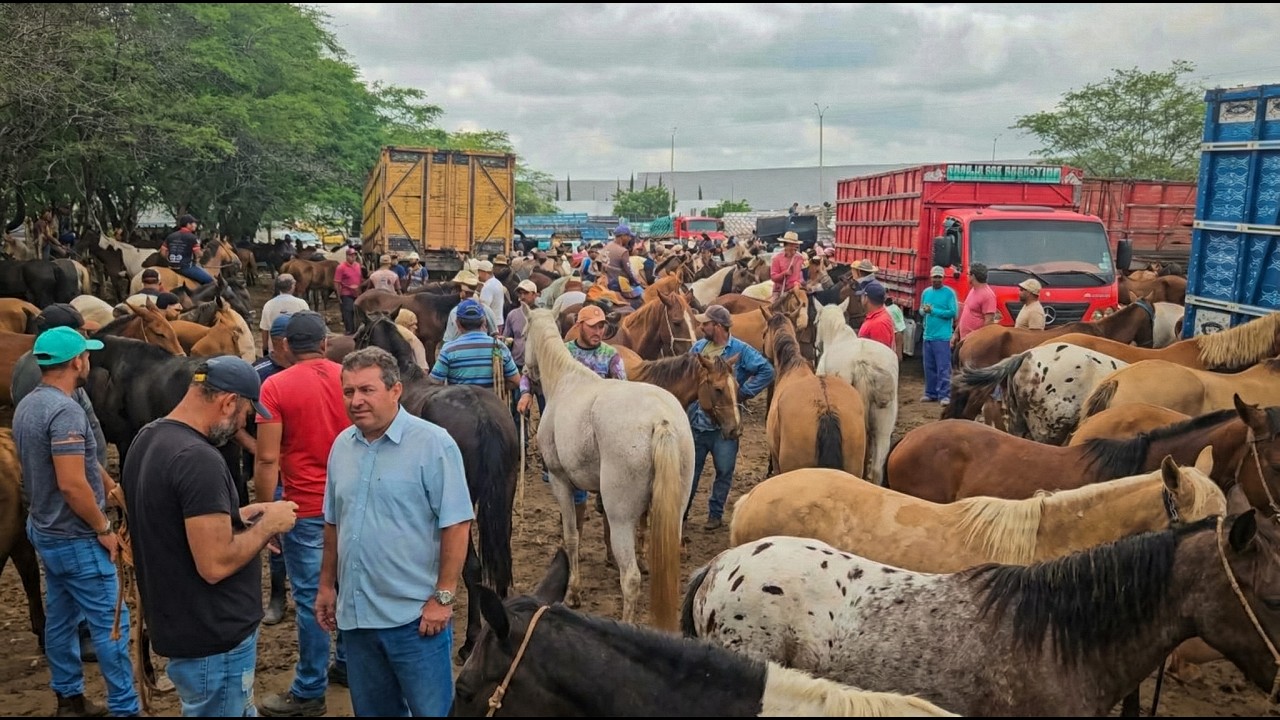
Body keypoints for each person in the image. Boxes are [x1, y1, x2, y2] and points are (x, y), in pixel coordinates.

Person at [122, 355, 298, 717]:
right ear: (228, 402)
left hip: (181, 623)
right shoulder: (198, 459)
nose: (245, 422)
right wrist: (269, 524)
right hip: (213, 635)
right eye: (246, 411)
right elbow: (215, 564)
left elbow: (170, 519)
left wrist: (238, 516)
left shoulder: (149, 437)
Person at [317, 347, 473, 716]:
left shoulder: (434, 444)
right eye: (349, 391)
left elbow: (457, 524)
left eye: (367, 390)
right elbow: (333, 521)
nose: (356, 401)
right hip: (356, 619)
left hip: (415, 621)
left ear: (395, 390)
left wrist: (444, 598)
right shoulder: (342, 446)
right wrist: (326, 585)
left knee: (431, 712)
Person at [13, 327, 141, 718]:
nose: (89, 360)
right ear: (76, 362)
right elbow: (70, 484)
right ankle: (125, 707)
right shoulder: (66, 410)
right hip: (77, 535)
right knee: (111, 625)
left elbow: (84, 461)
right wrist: (103, 527)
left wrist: (111, 486)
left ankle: (68, 698)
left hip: (46, 530)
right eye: (86, 355)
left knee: (62, 618)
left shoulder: (30, 404)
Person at [254, 312, 352, 717]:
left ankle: (309, 688)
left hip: (307, 505)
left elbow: (265, 459)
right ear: (326, 344)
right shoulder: (350, 377)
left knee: (313, 598)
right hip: (351, 501)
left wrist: (267, 516)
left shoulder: (274, 385)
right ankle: (346, 663)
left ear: (286, 347)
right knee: (348, 587)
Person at [515, 304, 620, 524]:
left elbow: (622, 388)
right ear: (579, 326)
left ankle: (610, 548)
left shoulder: (611, 355)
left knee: (613, 497)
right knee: (575, 491)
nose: (598, 332)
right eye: (592, 327)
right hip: (570, 427)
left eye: (601, 327)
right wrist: (526, 393)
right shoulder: (564, 351)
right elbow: (529, 373)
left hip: (604, 425)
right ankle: (575, 531)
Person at [686, 305, 774, 531]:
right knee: (690, 473)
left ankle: (715, 514)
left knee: (724, 471)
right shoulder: (698, 348)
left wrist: (740, 393)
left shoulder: (740, 350)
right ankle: (683, 513)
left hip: (726, 426)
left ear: (718, 326)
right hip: (697, 422)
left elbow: (766, 370)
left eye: (706, 323)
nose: (701, 326)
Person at [252, 314, 297, 627]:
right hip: (278, 471)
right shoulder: (259, 376)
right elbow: (240, 426)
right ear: (283, 343)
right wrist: (266, 452)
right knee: (277, 539)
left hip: (304, 469)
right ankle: (277, 595)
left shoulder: (305, 371)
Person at [429, 299, 519, 391]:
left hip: (459, 403)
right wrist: (494, 389)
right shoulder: (499, 347)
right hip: (490, 403)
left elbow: (434, 383)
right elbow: (515, 381)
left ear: (457, 324)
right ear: (484, 321)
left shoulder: (448, 350)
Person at [919, 266, 958, 404]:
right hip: (928, 335)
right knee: (928, 366)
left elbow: (953, 312)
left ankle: (944, 395)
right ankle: (930, 393)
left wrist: (933, 310)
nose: (936, 280)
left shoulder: (949, 293)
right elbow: (921, 311)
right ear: (930, 277)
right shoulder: (926, 292)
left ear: (943, 278)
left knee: (943, 367)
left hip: (942, 337)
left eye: (939, 277)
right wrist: (925, 311)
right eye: (934, 277)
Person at [440, 271, 500, 345]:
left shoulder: (455, 312)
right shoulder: (486, 310)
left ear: (463, 293)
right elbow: (495, 335)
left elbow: (448, 339)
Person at [258, 274, 310, 350]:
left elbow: (265, 329)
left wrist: (265, 348)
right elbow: (307, 326)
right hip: (296, 348)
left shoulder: (269, 305)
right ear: (292, 286)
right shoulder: (301, 304)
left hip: (275, 349)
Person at [160, 214, 215, 286]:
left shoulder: (170, 236)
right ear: (188, 224)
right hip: (185, 268)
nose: (195, 225)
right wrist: (203, 253)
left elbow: (162, 252)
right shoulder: (193, 238)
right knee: (210, 281)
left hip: (171, 266)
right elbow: (198, 254)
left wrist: (171, 259)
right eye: (194, 223)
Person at [955, 262, 999, 345]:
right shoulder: (973, 290)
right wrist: (956, 333)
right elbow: (965, 312)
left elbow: (988, 323)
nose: (967, 276)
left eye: (968, 274)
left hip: (975, 344)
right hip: (964, 341)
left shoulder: (988, 295)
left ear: (973, 276)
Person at [604, 226, 644, 300]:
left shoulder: (607, 246)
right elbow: (629, 272)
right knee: (642, 294)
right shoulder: (623, 251)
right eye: (628, 236)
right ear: (623, 236)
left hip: (606, 281)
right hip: (617, 285)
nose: (630, 238)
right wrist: (637, 282)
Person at [856, 281, 896, 351]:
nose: (860, 298)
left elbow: (880, 355)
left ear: (866, 298)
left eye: (862, 296)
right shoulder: (878, 316)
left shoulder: (878, 324)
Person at [334, 248, 363, 334]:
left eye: (354, 255)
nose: (353, 257)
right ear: (347, 256)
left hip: (357, 293)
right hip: (346, 293)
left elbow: (360, 279)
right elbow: (336, 282)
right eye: (350, 256)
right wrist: (338, 296)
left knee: (357, 312)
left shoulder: (358, 265)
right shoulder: (341, 267)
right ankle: (349, 331)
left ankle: (357, 331)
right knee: (348, 312)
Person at [770, 231, 804, 301]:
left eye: (795, 245)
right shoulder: (777, 258)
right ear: (785, 245)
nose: (793, 247)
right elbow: (773, 277)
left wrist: (799, 283)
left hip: (797, 289)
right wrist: (784, 273)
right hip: (780, 291)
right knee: (774, 308)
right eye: (791, 245)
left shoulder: (800, 258)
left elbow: (802, 275)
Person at [475, 259, 506, 333]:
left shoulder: (487, 286)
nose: (478, 275)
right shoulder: (498, 283)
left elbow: (484, 307)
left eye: (479, 272)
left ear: (483, 272)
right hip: (499, 321)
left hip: (490, 324)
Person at [884, 296, 907, 361]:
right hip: (900, 330)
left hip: (894, 332)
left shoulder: (886, 310)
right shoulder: (896, 307)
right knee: (899, 350)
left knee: (892, 351)